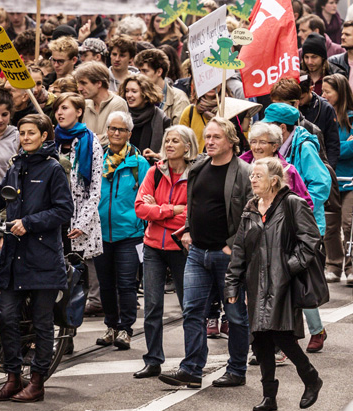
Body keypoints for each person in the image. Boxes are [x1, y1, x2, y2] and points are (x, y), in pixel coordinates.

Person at [0, 114, 74, 403]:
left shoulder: (53, 169)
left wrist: (29, 223)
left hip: (43, 257)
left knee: (42, 322)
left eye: (32, 132)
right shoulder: (17, 165)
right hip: (14, 256)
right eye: (22, 132)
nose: (26, 137)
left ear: (45, 135)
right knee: (7, 318)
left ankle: (37, 381)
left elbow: (63, 210)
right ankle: (12, 378)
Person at [225, 157, 323, 411]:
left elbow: (311, 241)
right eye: (252, 176)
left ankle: (311, 378)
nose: (252, 180)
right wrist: (233, 284)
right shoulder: (250, 208)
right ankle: (269, 395)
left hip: (284, 284)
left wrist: (287, 267)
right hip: (256, 284)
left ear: (274, 181)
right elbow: (239, 249)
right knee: (260, 340)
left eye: (258, 176)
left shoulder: (293, 204)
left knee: (283, 335)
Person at [161, 118, 252, 390]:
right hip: (197, 253)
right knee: (192, 311)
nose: (209, 141)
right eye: (207, 136)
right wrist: (188, 229)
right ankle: (191, 369)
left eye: (216, 137)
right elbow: (193, 203)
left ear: (231, 141)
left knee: (235, 314)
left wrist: (231, 245)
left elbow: (253, 215)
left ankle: (237, 369)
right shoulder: (199, 167)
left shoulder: (244, 172)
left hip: (228, 258)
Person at [259, 105, 333, 352]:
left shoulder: (304, 146)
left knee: (301, 280)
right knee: (283, 280)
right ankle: (288, 336)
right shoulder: (269, 152)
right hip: (277, 225)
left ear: (281, 128)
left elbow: (321, 184)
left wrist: (296, 212)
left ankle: (315, 330)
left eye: (268, 124)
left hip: (306, 224)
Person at [133, 125, 198, 379]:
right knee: (152, 306)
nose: (169, 144)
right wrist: (173, 210)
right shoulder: (154, 172)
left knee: (189, 307)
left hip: (181, 247)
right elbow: (140, 208)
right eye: (167, 140)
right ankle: (153, 360)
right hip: (152, 247)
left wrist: (159, 209)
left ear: (188, 147)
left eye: (175, 141)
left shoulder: (195, 175)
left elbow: (192, 213)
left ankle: (191, 362)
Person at [93, 111, 150, 350]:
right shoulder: (97, 160)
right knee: (105, 284)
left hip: (130, 234)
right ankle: (111, 326)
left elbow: (148, 198)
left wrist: (144, 229)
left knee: (127, 284)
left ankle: (126, 329)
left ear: (129, 133)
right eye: (112, 129)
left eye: (121, 130)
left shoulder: (139, 164)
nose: (116, 134)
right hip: (102, 234)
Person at [320, 74, 353, 284]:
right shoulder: (323, 115)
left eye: (327, 92)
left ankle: (352, 266)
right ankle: (333, 264)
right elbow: (320, 145)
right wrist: (340, 144)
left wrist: (333, 146)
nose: (324, 95)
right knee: (330, 226)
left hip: (350, 180)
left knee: (349, 224)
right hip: (330, 180)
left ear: (340, 92)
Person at [52, 93, 104, 259]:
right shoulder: (53, 142)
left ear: (79, 112)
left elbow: (95, 191)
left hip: (80, 221)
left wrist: (82, 223)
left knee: (81, 276)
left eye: (65, 108)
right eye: (57, 109)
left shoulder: (91, 142)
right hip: (55, 219)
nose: (59, 113)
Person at [135, 48, 191, 123]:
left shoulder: (179, 99)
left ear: (159, 72)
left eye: (145, 71)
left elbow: (179, 132)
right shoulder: (135, 94)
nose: (140, 75)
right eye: (139, 71)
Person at [75, 61, 128, 139]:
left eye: (84, 83)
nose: (79, 88)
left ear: (99, 83)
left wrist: (89, 140)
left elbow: (114, 138)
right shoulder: (85, 104)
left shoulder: (118, 104)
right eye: (78, 84)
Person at [121, 73, 169, 157]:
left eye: (134, 91)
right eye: (127, 91)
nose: (129, 95)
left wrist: (156, 156)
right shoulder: (120, 116)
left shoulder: (161, 119)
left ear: (146, 94)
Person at [0, 89, 20, 187]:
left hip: (8, 193)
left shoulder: (18, 137)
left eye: (4, 114)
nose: (0, 119)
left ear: (10, 114)